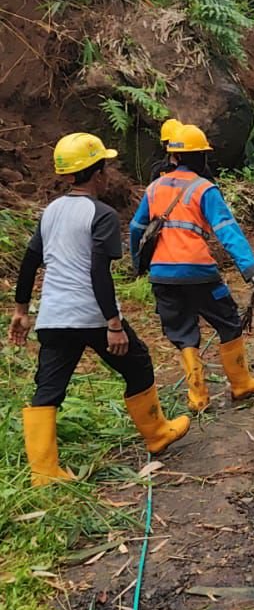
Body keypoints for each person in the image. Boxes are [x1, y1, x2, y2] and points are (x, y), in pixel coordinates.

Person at [7, 132, 190, 486]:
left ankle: (44, 474)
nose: (106, 174)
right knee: (137, 364)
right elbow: (97, 271)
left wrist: (21, 309)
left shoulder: (51, 212)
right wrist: (114, 323)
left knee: (48, 390)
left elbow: (30, 261)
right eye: (103, 167)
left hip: (54, 317)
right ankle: (157, 434)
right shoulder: (101, 214)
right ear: (96, 173)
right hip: (91, 315)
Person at [129, 124, 254, 412]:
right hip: (199, 271)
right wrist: (250, 268)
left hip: (163, 275)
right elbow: (227, 230)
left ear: (173, 157)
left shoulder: (154, 187)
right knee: (228, 321)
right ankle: (241, 384)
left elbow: (136, 227)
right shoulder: (204, 189)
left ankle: (198, 398)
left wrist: (138, 262)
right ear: (202, 158)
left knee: (182, 332)